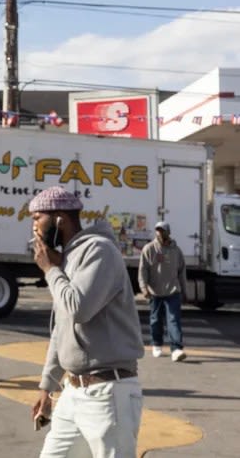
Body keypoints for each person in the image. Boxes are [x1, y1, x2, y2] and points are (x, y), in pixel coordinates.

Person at [29, 186, 144, 457]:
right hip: (74, 391)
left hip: (107, 392)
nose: (33, 227)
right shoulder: (68, 258)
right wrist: (48, 387)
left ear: (60, 219)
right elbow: (62, 329)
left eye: (37, 218)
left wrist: (50, 270)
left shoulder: (99, 251)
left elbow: (78, 308)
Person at [138, 220, 187, 362]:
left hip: (173, 291)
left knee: (173, 320)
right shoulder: (149, 249)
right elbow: (143, 270)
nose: (159, 233)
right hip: (155, 292)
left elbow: (182, 272)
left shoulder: (176, 251)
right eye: (157, 230)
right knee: (156, 320)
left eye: (162, 230)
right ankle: (157, 344)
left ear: (168, 232)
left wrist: (184, 290)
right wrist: (144, 287)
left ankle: (176, 349)